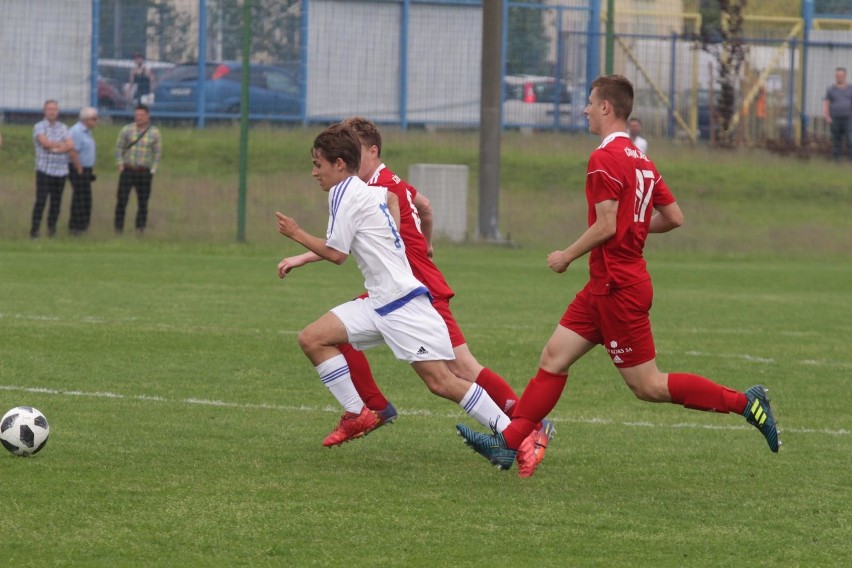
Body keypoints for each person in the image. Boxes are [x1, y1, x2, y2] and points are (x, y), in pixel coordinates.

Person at [457, 75, 780, 476]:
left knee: (648, 386)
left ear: (607, 107)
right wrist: (634, 226)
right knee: (553, 358)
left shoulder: (603, 158)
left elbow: (608, 224)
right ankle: (509, 444)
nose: (586, 109)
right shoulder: (641, 159)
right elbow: (673, 217)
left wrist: (567, 255)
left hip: (618, 288)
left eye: (591, 103)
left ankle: (745, 402)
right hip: (604, 285)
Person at [278, 117, 554, 475]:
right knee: (313, 338)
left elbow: (337, 254)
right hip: (380, 301)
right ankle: (357, 412)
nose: (314, 173)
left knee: (444, 381)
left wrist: (296, 233)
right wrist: (397, 236)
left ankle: (517, 436)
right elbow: (392, 199)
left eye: (317, 165)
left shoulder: (344, 192)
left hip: (403, 306)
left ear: (340, 163)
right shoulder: (366, 188)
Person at [114, 104, 161, 234]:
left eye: (141, 115)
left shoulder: (154, 132)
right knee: (122, 201)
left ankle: (140, 229)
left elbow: (157, 153)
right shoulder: (127, 130)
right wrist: (120, 164)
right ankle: (118, 229)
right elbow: (119, 147)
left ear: (147, 116)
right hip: (128, 170)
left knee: (143, 202)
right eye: (137, 115)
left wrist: (153, 169)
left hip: (144, 171)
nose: (139, 117)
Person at [31, 99, 74, 238]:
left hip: (61, 171)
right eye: (49, 109)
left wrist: (56, 147)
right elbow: (45, 143)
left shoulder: (63, 127)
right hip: (44, 169)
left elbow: (70, 145)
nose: (52, 112)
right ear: (44, 111)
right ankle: (35, 231)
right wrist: (60, 145)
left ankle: (52, 230)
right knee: (41, 200)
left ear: (58, 111)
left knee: (56, 202)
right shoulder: (39, 126)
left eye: (54, 109)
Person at [68, 106, 99, 235]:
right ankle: (76, 228)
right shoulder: (77, 131)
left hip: (87, 168)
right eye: (94, 119)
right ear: (86, 119)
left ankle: (83, 226)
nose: (96, 121)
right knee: (80, 197)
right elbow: (73, 151)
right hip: (78, 168)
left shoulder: (88, 132)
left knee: (86, 198)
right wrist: (79, 169)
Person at [823, 67, 852, 160]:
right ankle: (836, 159)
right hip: (835, 118)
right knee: (836, 140)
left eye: (841, 75)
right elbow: (826, 103)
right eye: (837, 75)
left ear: (845, 76)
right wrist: (827, 116)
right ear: (835, 76)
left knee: (850, 139)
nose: (839, 77)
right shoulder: (831, 89)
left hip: (848, 119)